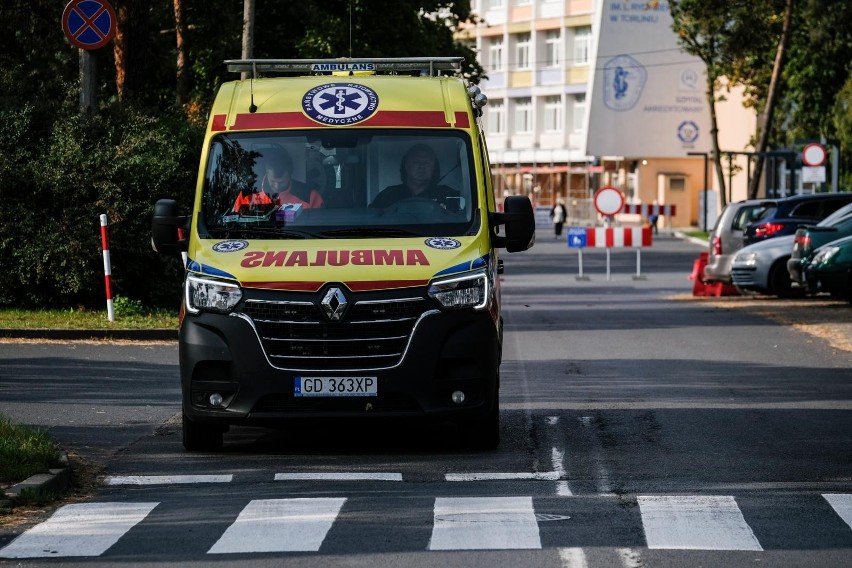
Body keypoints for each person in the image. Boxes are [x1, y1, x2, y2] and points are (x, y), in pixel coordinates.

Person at [370, 143, 460, 211]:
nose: (421, 166)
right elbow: (372, 220)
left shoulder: (447, 195)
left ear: (434, 168)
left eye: (427, 163)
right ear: (406, 165)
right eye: (416, 162)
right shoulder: (388, 195)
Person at [233, 149, 323, 213]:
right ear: (266, 173)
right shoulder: (246, 196)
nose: (276, 186)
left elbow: (319, 225)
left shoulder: (309, 196)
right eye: (272, 181)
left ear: (290, 174)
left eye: (281, 182)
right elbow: (234, 226)